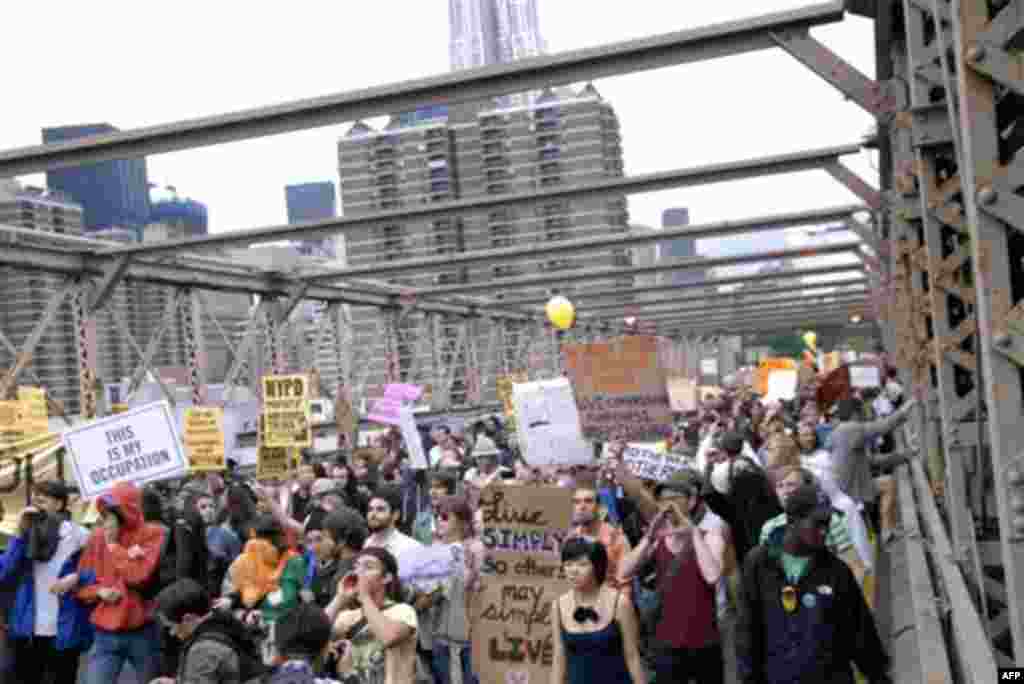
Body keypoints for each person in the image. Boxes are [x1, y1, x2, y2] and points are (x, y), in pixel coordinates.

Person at [736, 484, 891, 684]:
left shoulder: (837, 572)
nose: (824, 531)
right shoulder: (758, 563)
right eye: (817, 523)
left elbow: (859, 632)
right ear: (792, 521)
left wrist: (878, 676)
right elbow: (746, 630)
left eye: (827, 523)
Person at [617, 469, 729, 684]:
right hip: (667, 643)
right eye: (663, 500)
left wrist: (694, 533)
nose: (668, 505)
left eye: (675, 498)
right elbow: (624, 572)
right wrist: (649, 538)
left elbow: (712, 576)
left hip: (704, 641)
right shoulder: (658, 539)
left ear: (692, 501)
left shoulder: (711, 535)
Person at [0, 481, 92, 684]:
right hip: (29, 627)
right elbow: (4, 571)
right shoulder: (25, 534)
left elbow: (98, 571)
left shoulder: (78, 534)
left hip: (64, 627)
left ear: (59, 504)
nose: (37, 499)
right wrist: (18, 533)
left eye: (45, 496)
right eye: (35, 495)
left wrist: (77, 577)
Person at [77, 481, 168, 684]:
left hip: (143, 631)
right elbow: (81, 586)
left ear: (130, 509)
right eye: (106, 512)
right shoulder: (97, 536)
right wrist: (99, 592)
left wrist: (113, 546)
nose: (109, 518)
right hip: (105, 634)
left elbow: (137, 576)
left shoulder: (153, 533)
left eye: (114, 511)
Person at [551, 538, 645, 684]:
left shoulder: (620, 603)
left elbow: (632, 656)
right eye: (568, 564)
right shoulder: (558, 606)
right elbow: (559, 658)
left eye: (582, 564)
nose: (573, 571)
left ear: (597, 566)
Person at [829, 396, 918, 542]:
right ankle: (887, 530)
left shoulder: (839, 432)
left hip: (846, 487)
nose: (865, 416)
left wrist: (906, 455)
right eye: (862, 412)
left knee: (887, 483)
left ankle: (887, 531)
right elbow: (882, 426)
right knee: (887, 484)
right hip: (850, 490)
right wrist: (905, 409)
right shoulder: (850, 428)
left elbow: (872, 461)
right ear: (855, 413)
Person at [152, 578, 267, 684]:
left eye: (171, 626)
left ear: (188, 619)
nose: (172, 633)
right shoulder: (227, 625)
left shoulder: (202, 650)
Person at [331, 547, 419, 684]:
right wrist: (339, 599)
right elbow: (312, 634)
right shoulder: (349, 616)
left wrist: (364, 597)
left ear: (386, 578)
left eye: (368, 567)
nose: (359, 572)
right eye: (356, 567)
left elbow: (389, 637)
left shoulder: (403, 611)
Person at [429, 495, 485, 684]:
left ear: (461, 521)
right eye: (437, 515)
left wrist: (464, 566)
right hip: (439, 634)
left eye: (445, 517)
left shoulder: (476, 548)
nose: (439, 520)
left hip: (468, 636)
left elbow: (481, 588)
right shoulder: (434, 548)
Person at [570, 476, 632, 596]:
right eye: (577, 502)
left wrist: (617, 613)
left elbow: (625, 585)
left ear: (599, 507)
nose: (582, 506)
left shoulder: (616, 538)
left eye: (588, 501)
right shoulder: (571, 537)